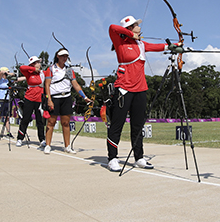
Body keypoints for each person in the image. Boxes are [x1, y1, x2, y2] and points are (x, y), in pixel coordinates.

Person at [107, 15, 181, 172]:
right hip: (124, 89)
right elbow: (112, 27)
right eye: (136, 25)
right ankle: (112, 158)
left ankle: (139, 158)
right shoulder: (120, 42)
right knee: (117, 125)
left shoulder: (140, 44)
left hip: (140, 89)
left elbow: (157, 47)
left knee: (138, 125)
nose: (140, 27)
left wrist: (175, 45)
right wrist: (130, 35)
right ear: (130, 28)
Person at [43, 48, 92, 154]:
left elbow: (75, 84)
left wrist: (84, 97)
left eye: (66, 56)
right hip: (55, 97)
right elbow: (47, 85)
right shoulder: (51, 68)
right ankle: (47, 145)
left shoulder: (69, 70)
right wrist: (49, 99)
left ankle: (67, 146)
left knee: (65, 123)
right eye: (62, 56)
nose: (64, 58)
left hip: (66, 97)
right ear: (58, 56)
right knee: (51, 122)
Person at [16, 56, 46, 147]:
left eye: (39, 62)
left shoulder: (42, 73)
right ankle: (20, 138)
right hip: (29, 98)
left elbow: (51, 73)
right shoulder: (28, 73)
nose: (39, 64)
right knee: (25, 119)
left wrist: (38, 70)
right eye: (37, 62)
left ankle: (42, 139)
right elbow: (21, 67)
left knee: (40, 121)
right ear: (33, 64)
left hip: (39, 98)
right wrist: (33, 69)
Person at [0, 67, 14, 138]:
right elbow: (0, 73)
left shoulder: (8, 81)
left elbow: (14, 75)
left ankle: (8, 132)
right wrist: (4, 72)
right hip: (0, 99)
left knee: (7, 117)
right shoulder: (0, 80)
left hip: (7, 99)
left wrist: (8, 74)